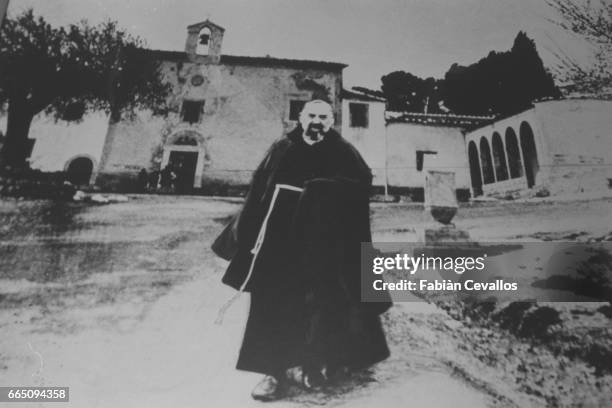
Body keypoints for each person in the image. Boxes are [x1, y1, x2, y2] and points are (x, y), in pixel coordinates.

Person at [212, 99, 391, 401]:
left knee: (320, 304)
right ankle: (273, 373)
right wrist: (246, 236)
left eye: (324, 116)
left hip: (323, 244)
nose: (317, 121)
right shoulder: (282, 148)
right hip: (279, 244)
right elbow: (259, 189)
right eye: (312, 115)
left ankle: (311, 366)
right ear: (300, 118)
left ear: (331, 121)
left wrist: (321, 190)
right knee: (270, 304)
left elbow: (361, 185)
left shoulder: (343, 151)